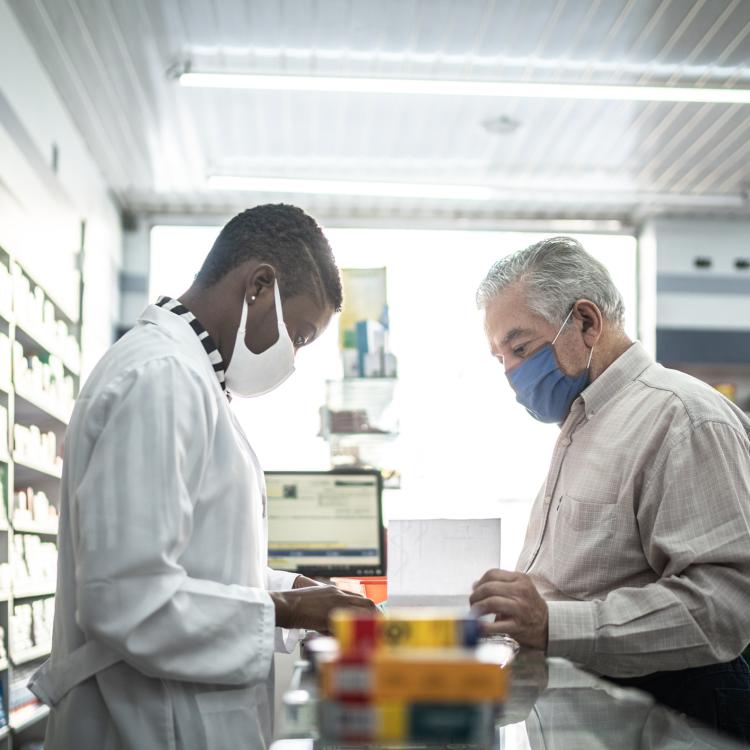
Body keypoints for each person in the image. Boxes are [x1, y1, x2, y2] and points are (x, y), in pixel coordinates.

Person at [29, 204, 377, 750]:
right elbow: (127, 598)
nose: (292, 358)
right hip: (145, 726)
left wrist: (295, 589)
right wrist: (292, 610)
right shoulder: (160, 378)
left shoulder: (192, 377)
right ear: (260, 284)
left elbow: (196, 564)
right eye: (300, 337)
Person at [468, 237, 750, 739]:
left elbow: (722, 609)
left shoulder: (683, 419)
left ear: (586, 322)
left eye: (520, 347)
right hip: (590, 705)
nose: (511, 371)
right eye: (499, 357)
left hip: (675, 711)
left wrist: (553, 625)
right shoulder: (584, 424)